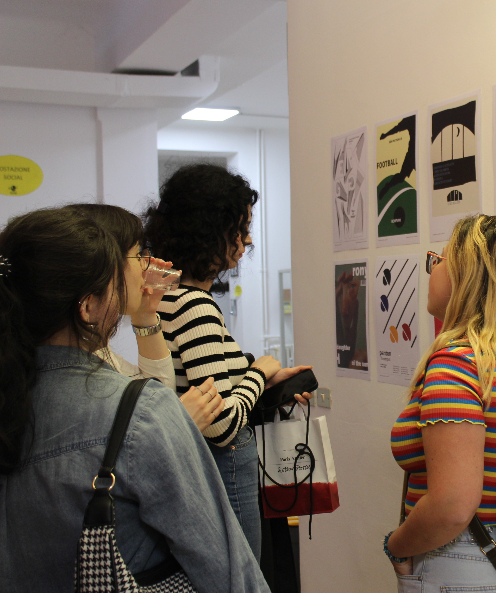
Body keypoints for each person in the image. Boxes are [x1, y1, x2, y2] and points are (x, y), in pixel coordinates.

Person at [0, 208, 269, 592]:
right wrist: (258, 375)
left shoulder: (19, 393)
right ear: (88, 305)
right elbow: (227, 571)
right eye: (133, 256)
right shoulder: (139, 411)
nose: (145, 267)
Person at [385, 215, 496, 590]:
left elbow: (452, 507)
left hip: (459, 560)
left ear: (463, 275)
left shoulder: (458, 363)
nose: (431, 270)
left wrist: (396, 546)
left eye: (437, 260)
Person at [143, 163, 311, 562]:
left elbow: (205, 382)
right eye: (239, 229)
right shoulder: (195, 305)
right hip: (225, 470)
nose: (247, 241)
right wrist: (259, 372)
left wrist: (262, 386)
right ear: (209, 230)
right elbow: (220, 425)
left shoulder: (165, 298)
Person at [66, 203, 224, 432]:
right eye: (138, 255)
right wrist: (258, 377)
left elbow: (156, 391)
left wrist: (146, 314)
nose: (146, 265)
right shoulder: (79, 372)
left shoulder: (95, 350)